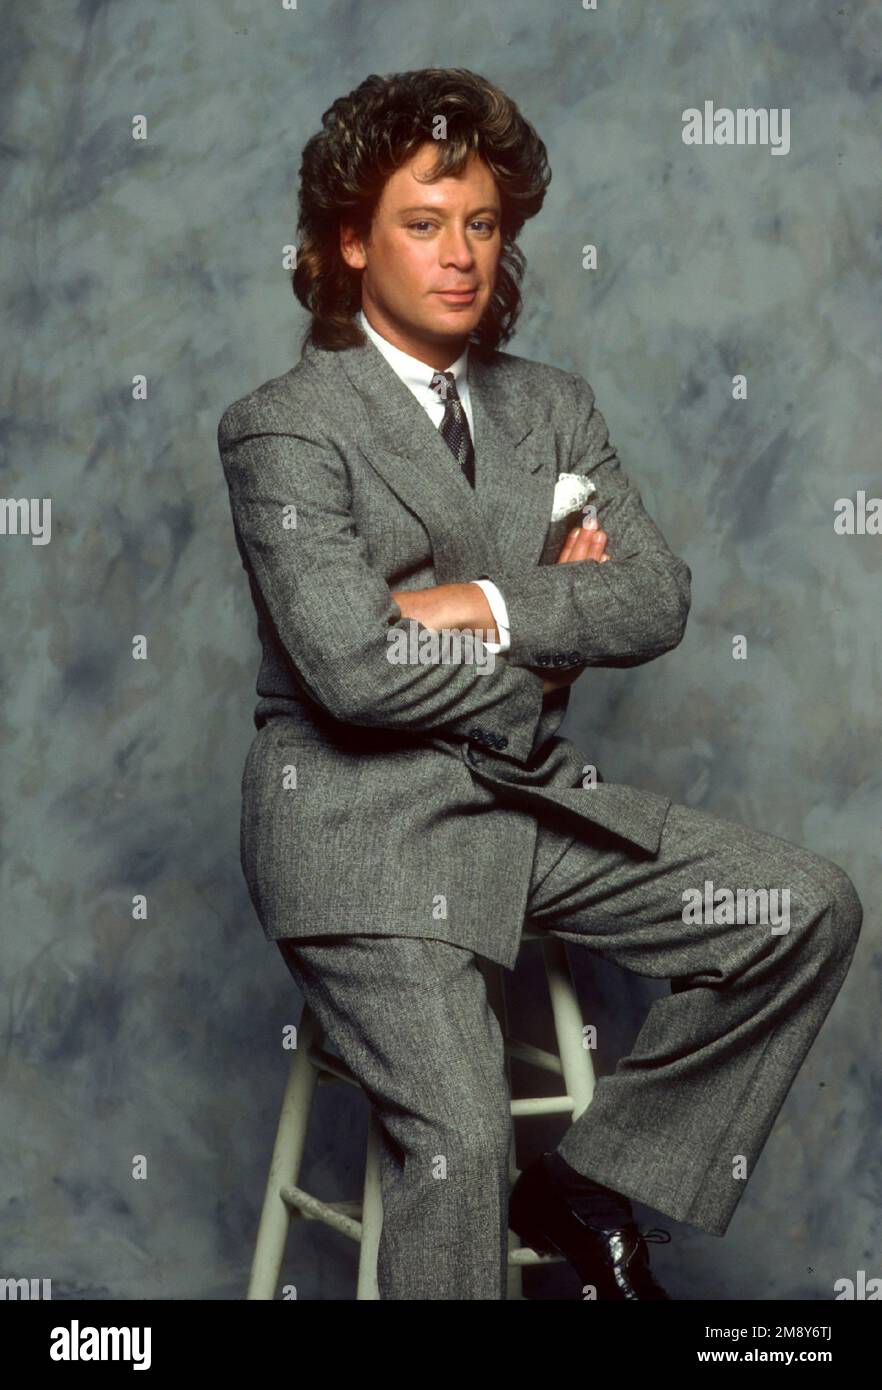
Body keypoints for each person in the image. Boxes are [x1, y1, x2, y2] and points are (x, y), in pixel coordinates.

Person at [217, 67, 863, 1300]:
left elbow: (657, 597)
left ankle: (585, 1180)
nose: (460, 255)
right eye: (423, 223)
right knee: (459, 1138)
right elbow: (351, 671)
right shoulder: (284, 427)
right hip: (361, 835)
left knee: (804, 906)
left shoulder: (554, 407)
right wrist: (550, 652)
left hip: (520, 809)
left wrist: (485, 605)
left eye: (482, 224)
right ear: (352, 241)